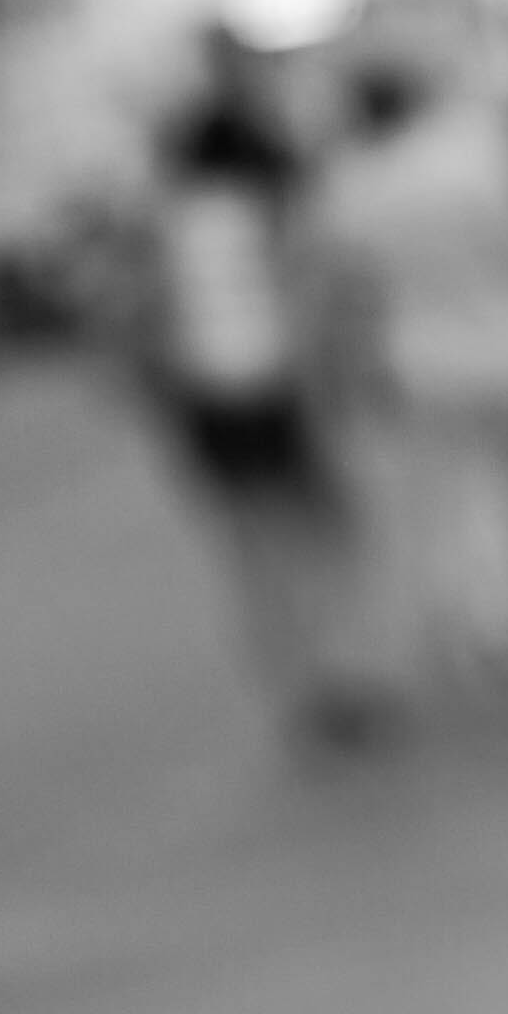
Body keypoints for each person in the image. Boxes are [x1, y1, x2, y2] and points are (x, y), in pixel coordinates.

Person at [301, 41, 508, 681]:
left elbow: (341, 298)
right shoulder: (488, 150)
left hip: (428, 365)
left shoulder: (348, 185)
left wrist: (347, 382)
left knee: (479, 506)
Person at [129, 47, 384, 742]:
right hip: (284, 398)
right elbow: (321, 311)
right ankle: (346, 673)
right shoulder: (282, 220)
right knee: (325, 535)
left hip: (210, 409)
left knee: (251, 550)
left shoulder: (167, 227)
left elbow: (140, 331)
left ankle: (297, 688)